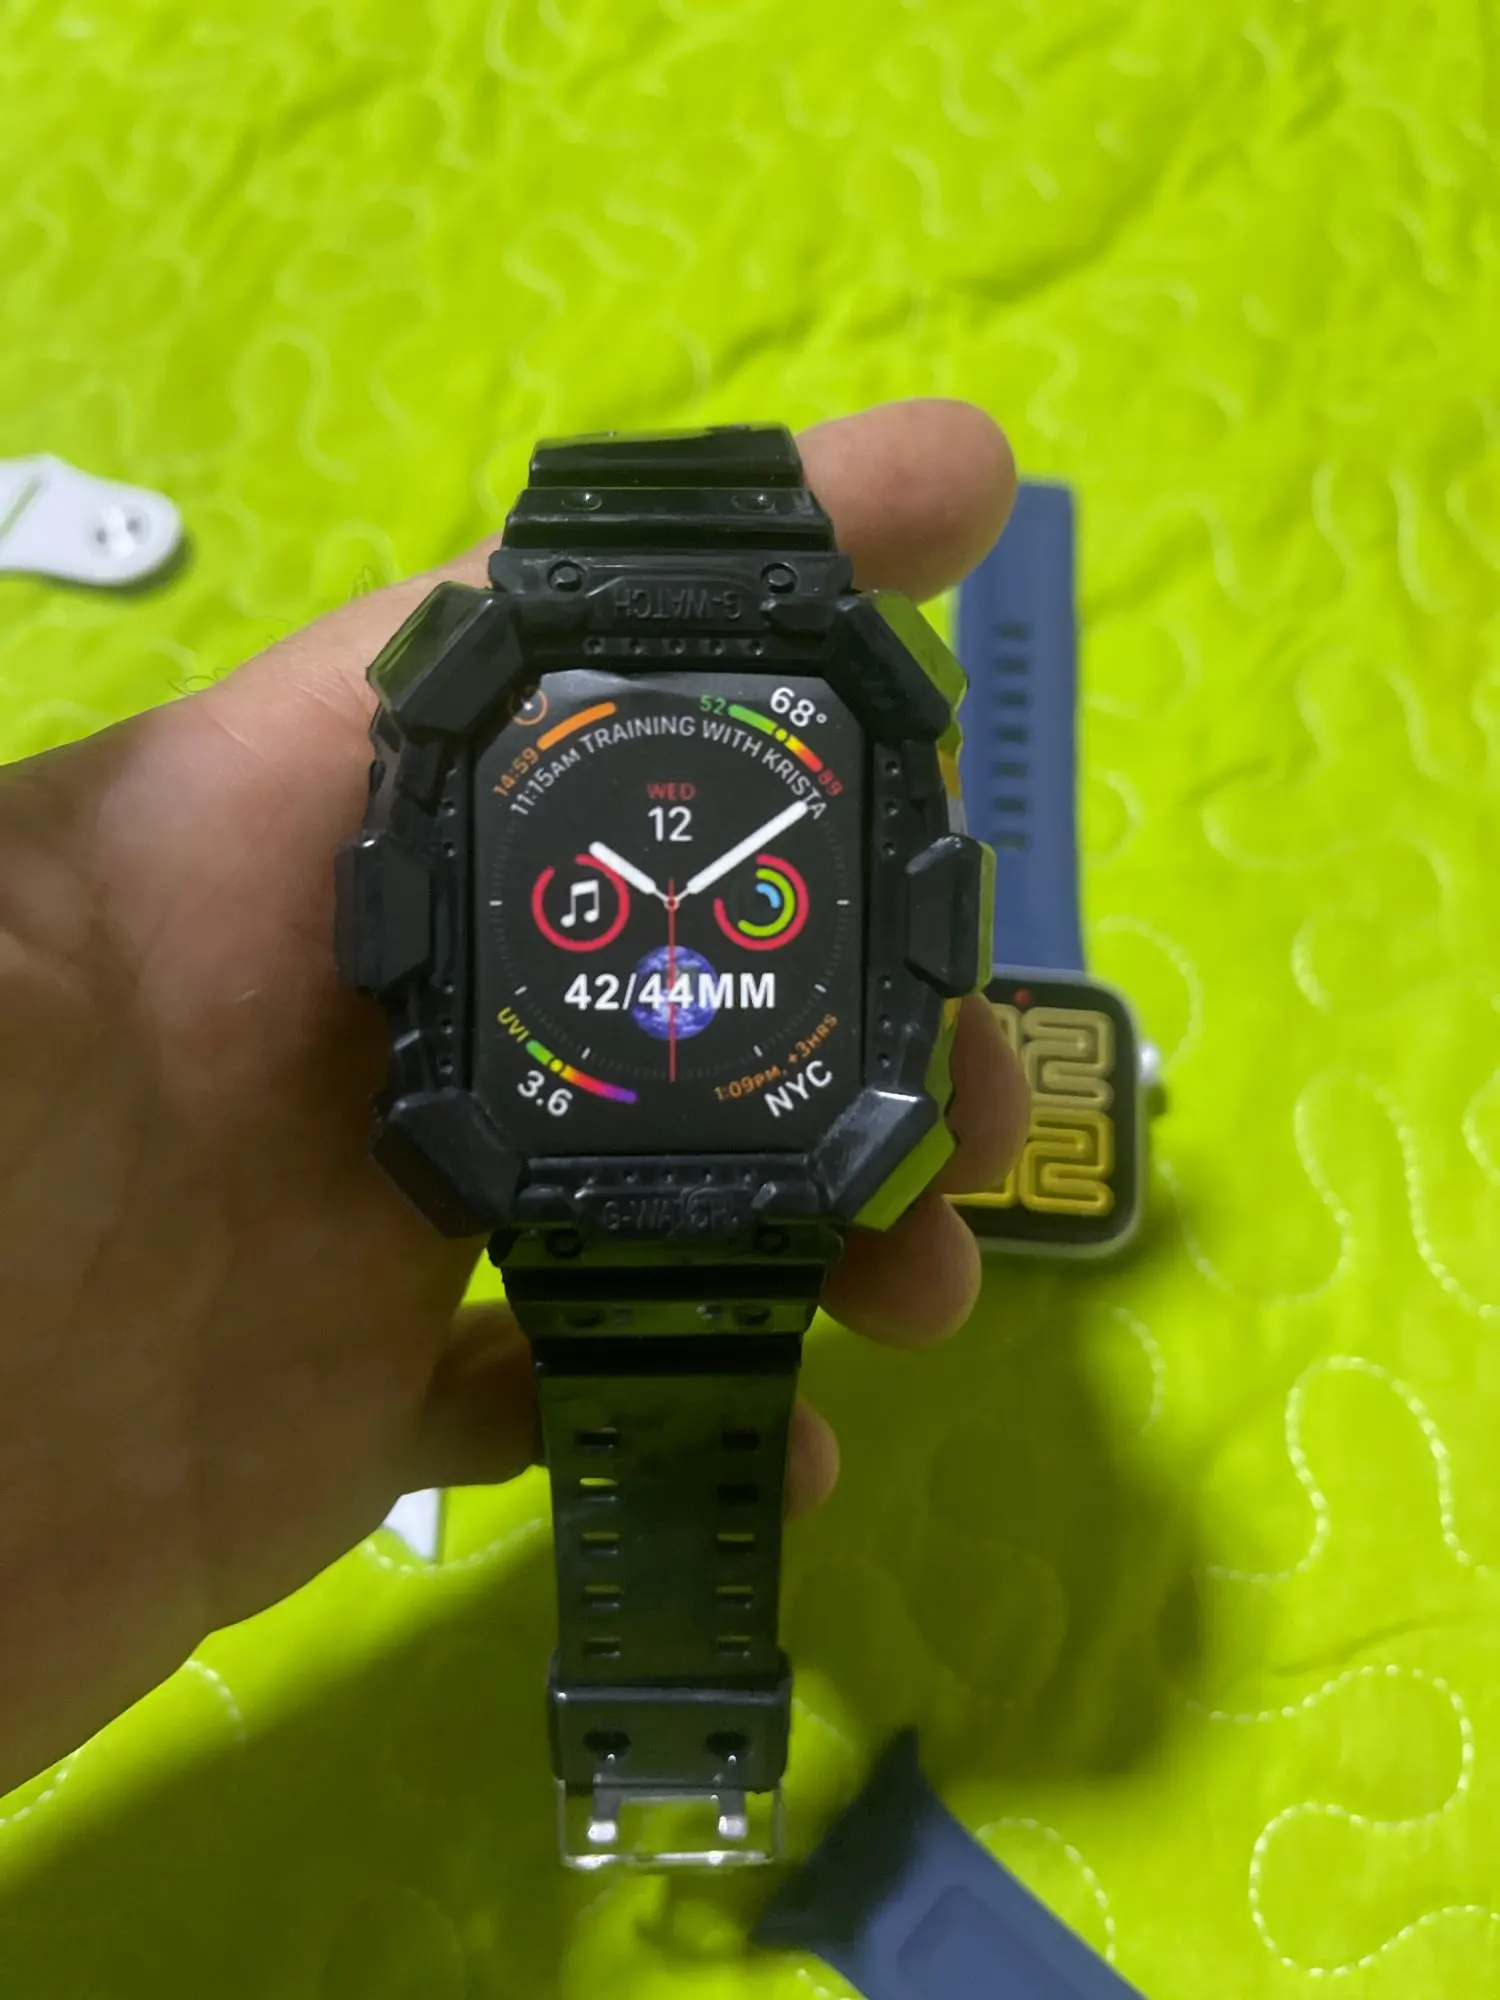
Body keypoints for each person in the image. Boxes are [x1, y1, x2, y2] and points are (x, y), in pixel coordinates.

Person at [0, 397, 1030, 1800]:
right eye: (624, 900)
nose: (670, 919)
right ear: (394, 911)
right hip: (672, 1156)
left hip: (689, 1160)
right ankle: (660, 1746)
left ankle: (671, 1748)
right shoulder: (549, 715)